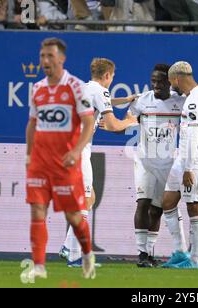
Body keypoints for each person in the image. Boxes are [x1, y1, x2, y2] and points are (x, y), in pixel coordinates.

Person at [24, 38, 97, 280]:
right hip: (40, 164)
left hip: (65, 164)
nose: (45, 61)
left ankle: (86, 253)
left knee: (74, 217)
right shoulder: (37, 89)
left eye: (50, 56)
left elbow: (88, 122)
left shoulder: (76, 87)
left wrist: (76, 151)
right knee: (37, 211)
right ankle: (39, 265)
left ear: (61, 59)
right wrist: (28, 154)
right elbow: (32, 124)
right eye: (42, 56)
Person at [58, 58, 138, 267]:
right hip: (78, 149)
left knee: (89, 197)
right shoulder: (100, 92)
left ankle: (68, 246)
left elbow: (105, 101)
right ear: (107, 76)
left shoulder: (85, 87)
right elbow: (112, 125)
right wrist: (130, 121)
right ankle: (73, 255)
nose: (111, 81)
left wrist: (127, 99)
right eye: (112, 78)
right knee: (85, 199)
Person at [127, 64, 186, 268]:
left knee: (157, 210)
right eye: (153, 81)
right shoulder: (142, 101)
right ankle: (141, 253)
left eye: (160, 81)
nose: (156, 85)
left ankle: (149, 252)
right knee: (142, 203)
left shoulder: (181, 102)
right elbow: (127, 121)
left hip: (168, 164)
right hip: (144, 161)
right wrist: (115, 124)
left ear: (169, 82)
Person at [161, 61, 198, 269]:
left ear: (176, 79)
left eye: (171, 82)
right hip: (183, 158)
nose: (171, 87)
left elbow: (193, 135)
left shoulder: (194, 101)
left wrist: (189, 167)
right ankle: (180, 251)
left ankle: (194, 260)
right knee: (168, 201)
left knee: (194, 204)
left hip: (195, 160)